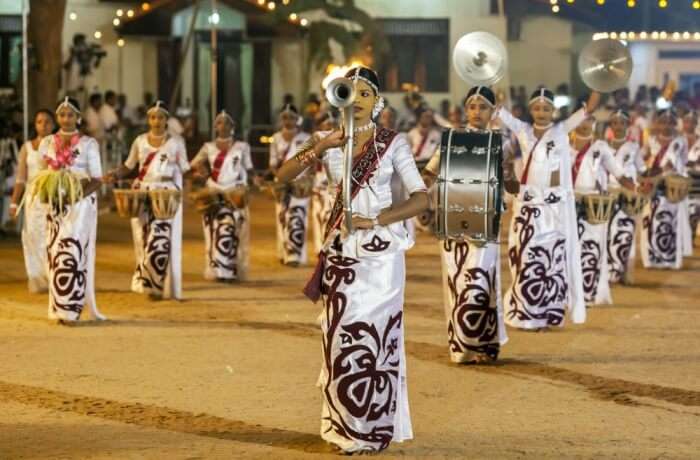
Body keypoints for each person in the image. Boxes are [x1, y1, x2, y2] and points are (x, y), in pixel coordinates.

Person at [276, 67, 428, 454]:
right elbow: (283, 175)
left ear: (377, 103)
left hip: (382, 258)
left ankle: (372, 430)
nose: (357, 100)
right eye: (351, 92)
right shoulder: (328, 141)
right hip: (341, 252)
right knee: (340, 340)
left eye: (366, 94)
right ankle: (343, 428)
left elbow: (421, 198)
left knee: (376, 343)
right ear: (338, 98)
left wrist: (377, 219)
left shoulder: (393, 144)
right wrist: (322, 146)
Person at [497, 88, 600, 330]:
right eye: (537, 108)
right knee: (525, 259)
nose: (541, 112)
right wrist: (494, 82)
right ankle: (525, 313)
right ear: (530, 109)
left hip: (555, 209)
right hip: (528, 207)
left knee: (553, 261)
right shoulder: (522, 130)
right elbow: (498, 111)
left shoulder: (561, 130)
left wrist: (598, 84)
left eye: (546, 108)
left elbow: (590, 109)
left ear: (553, 111)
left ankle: (549, 314)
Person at [423, 86, 513, 363]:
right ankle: (461, 347)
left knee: (481, 281)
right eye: (472, 106)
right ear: (466, 110)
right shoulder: (450, 141)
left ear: (492, 111)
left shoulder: (502, 143)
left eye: (483, 106)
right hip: (452, 222)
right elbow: (429, 173)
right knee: (456, 281)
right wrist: (422, 201)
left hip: (485, 222)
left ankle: (485, 345)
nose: (476, 112)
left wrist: (509, 180)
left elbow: (508, 180)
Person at [106, 101, 190, 299]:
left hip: (166, 194)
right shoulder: (140, 141)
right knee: (142, 238)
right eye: (153, 117)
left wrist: (199, 174)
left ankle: (158, 285)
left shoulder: (176, 143)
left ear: (166, 120)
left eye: (161, 117)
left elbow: (186, 168)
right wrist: (116, 174)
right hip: (143, 192)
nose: (157, 121)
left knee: (159, 239)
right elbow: (129, 165)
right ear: (148, 119)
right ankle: (147, 283)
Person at [39, 97, 105, 323]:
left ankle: (72, 310)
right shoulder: (47, 142)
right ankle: (57, 307)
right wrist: (49, 195)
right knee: (55, 253)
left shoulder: (88, 144)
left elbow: (97, 179)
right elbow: (42, 175)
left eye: (70, 114)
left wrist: (75, 196)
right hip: (56, 205)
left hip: (81, 206)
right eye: (62, 114)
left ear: (78, 117)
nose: (65, 119)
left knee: (73, 252)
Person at [569, 113, 633, 305]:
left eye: (589, 120)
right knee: (568, 248)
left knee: (591, 249)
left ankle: (588, 293)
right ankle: (567, 293)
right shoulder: (562, 145)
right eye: (580, 120)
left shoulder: (600, 147)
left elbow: (619, 174)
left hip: (593, 207)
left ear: (594, 123)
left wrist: (635, 189)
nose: (584, 124)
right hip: (567, 204)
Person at [190, 111, 253, 282]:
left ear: (232, 127)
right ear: (215, 127)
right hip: (214, 192)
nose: (222, 125)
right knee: (215, 231)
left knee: (234, 231)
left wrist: (251, 185)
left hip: (235, 192)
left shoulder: (242, 147)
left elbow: (249, 169)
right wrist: (200, 172)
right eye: (219, 122)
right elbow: (193, 166)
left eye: (226, 123)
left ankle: (232, 270)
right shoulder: (208, 147)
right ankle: (218, 271)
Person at [9, 110, 56, 293]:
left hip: (51, 197)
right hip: (32, 199)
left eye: (47, 122)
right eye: (39, 121)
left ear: (53, 125)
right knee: (31, 237)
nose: (43, 125)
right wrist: (14, 202)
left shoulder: (57, 145)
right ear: (35, 125)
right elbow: (21, 178)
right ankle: (36, 278)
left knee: (51, 236)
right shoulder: (27, 147)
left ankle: (53, 277)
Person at [641, 108, 691, 269]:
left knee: (669, 222)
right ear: (657, 122)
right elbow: (643, 157)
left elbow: (671, 164)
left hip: (671, 187)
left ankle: (669, 258)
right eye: (663, 121)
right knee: (652, 221)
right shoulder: (651, 139)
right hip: (653, 186)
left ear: (676, 124)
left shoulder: (680, 141)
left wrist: (652, 174)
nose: (667, 125)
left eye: (671, 122)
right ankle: (652, 257)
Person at [268, 104, 312, 266]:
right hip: (282, 182)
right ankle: (283, 251)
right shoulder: (276, 138)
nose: (288, 121)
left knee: (299, 216)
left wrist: (306, 178)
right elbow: (272, 163)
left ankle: (296, 255)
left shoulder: (306, 138)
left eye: (291, 117)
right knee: (282, 216)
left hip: (300, 183)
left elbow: (311, 161)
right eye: (285, 117)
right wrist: (279, 178)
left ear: (297, 119)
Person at [310, 111, 338, 253]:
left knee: (328, 214)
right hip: (318, 182)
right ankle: (319, 247)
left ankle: (328, 247)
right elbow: (308, 162)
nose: (330, 126)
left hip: (332, 184)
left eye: (332, 124)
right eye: (326, 124)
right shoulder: (315, 140)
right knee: (317, 215)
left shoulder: (340, 140)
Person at [683, 111, 700, 238]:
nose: (689, 124)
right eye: (686, 121)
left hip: (697, 180)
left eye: (692, 121)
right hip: (681, 179)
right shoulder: (677, 139)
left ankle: (691, 233)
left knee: (694, 209)